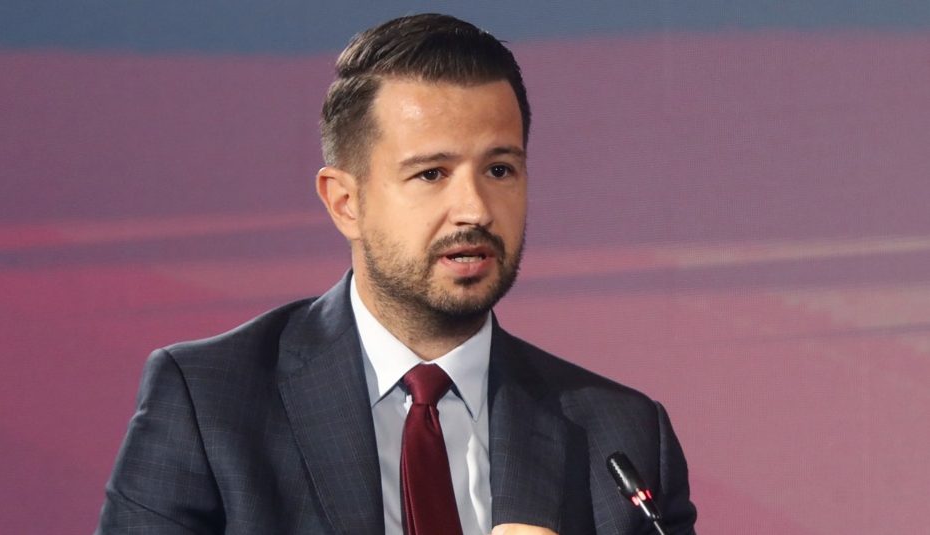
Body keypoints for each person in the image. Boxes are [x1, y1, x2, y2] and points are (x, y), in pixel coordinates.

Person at [97, 13, 697, 535]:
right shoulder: (209, 402)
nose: (475, 210)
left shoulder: (621, 434)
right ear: (345, 203)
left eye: (499, 170)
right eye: (432, 174)